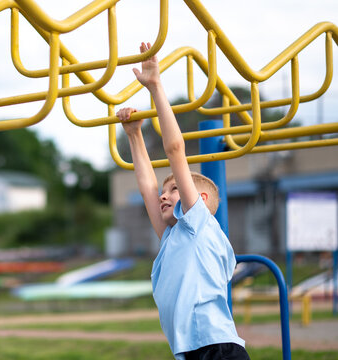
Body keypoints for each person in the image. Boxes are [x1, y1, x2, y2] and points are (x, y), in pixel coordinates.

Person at [116, 42, 250, 360]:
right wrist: (134, 134)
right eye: (168, 192)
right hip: (189, 351)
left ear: (198, 199)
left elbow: (176, 150)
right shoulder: (173, 237)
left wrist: (156, 87)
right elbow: (148, 185)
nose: (164, 195)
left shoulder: (197, 223)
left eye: (174, 189)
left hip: (218, 349)